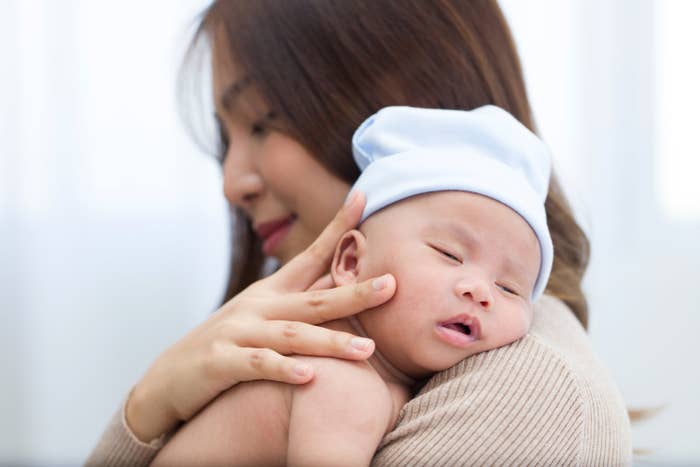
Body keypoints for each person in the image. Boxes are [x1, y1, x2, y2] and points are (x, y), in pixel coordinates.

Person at [86, 1, 632, 465]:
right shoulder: (334, 352)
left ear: (405, 89)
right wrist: (148, 406)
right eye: (229, 139)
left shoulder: (528, 395)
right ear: (350, 258)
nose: (232, 184)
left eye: (263, 121)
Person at [150, 104, 554, 465]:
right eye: (449, 254)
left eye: (510, 288)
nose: (480, 291)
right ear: (351, 261)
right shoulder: (340, 385)